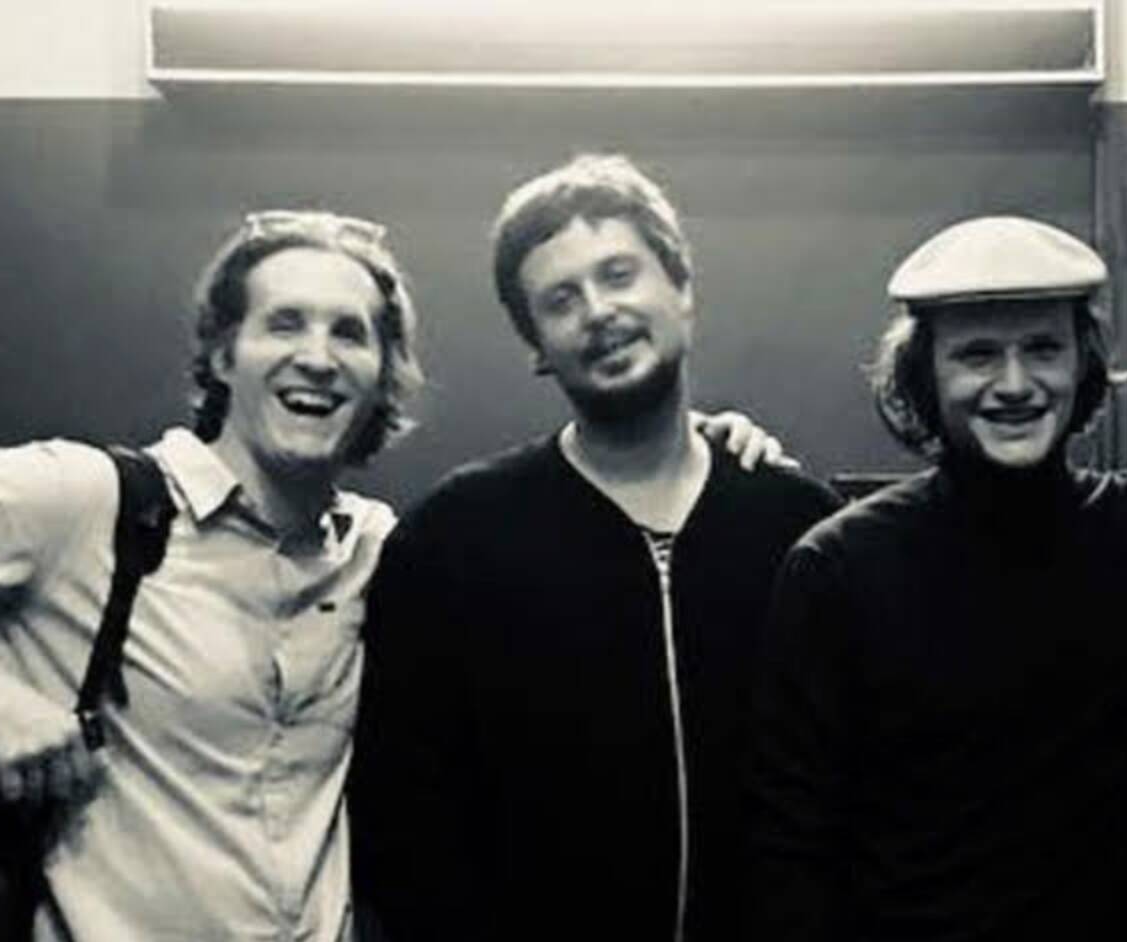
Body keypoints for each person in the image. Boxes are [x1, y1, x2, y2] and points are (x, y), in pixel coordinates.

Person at [349, 154, 842, 942]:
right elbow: (404, 826)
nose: (599, 312)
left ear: (682, 290)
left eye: (618, 275)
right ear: (537, 346)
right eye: (561, 299)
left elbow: (846, 796)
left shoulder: (798, 529)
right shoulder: (452, 542)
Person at [0, 209, 421, 940]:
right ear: (223, 357)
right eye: (284, 324)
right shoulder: (87, 501)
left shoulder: (379, 552)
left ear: (382, 376)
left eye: (349, 333)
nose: (318, 357)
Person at [748, 216, 1127, 942]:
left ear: (1083, 364)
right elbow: (790, 851)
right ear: (924, 373)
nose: (1014, 384)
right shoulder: (839, 568)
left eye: (1043, 349)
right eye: (978, 354)